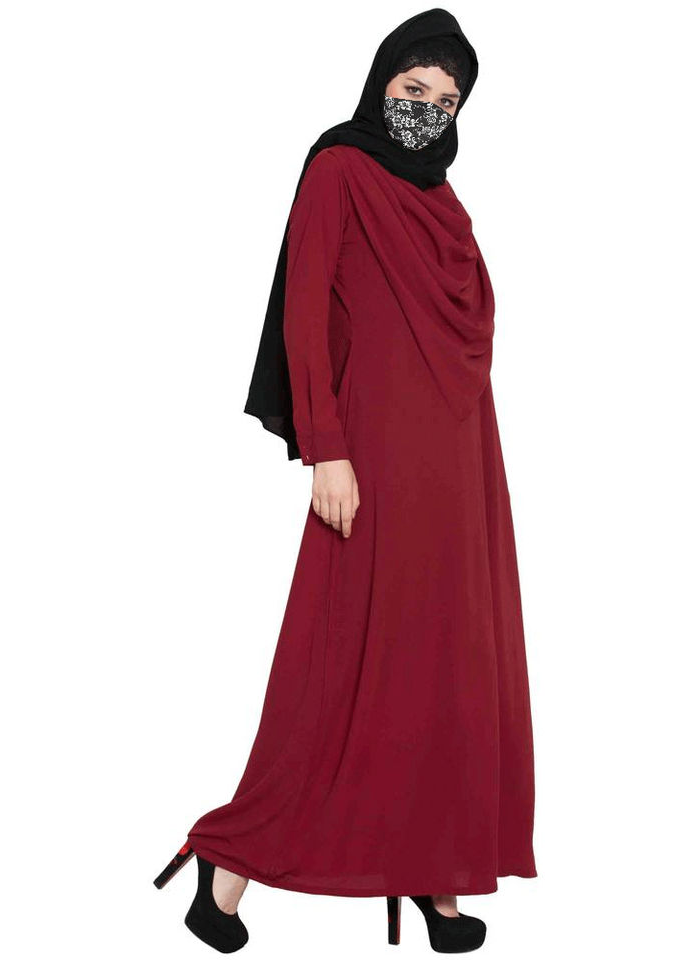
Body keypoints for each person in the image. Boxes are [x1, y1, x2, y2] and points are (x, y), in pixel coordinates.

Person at [153, 9, 536, 953]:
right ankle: (225, 865)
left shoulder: (443, 200)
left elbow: (464, 327)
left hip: (462, 460)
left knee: (449, 663)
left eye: (447, 101)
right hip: (372, 457)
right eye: (414, 90)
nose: (428, 111)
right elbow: (303, 307)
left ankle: (437, 874)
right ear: (381, 83)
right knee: (339, 666)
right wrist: (326, 447)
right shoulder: (338, 168)